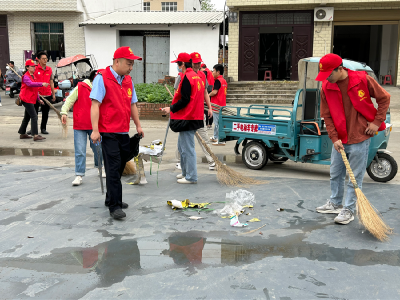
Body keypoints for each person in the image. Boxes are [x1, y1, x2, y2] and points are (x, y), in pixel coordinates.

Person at [315, 53, 390, 224]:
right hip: (340, 140)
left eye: (329, 74)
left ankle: (348, 209)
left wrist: (376, 122)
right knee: (335, 174)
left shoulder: (362, 80)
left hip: (360, 136)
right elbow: (326, 116)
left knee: (354, 178)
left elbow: (384, 98)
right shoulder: (326, 87)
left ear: (340, 69)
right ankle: (335, 203)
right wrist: (334, 138)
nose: (326, 79)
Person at [90, 46, 144, 220]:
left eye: (132, 64)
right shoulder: (102, 78)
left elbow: (132, 104)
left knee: (120, 166)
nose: (131, 67)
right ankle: (115, 206)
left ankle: (110, 198)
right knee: (113, 169)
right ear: (117, 62)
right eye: (129, 63)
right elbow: (95, 105)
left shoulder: (128, 81)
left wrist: (138, 125)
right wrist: (95, 130)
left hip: (122, 131)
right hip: (108, 132)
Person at [161, 52, 206, 184]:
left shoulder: (187, 77)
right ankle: (186, 173)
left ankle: (191, 177)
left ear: (182, 64)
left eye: (178, 64)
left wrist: (171, 108)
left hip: (189, 117)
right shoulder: (196, 77)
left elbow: (185, 99)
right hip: (194, 116)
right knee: (182, 148)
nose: (178, 66)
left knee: (188, 149)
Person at [61, 70, 105, 187]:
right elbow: (69, 100)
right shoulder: (80, 87)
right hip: (80, 124)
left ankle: (100, 167)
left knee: (98, 148)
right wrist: (64, 112)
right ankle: (79, 174)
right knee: (80, 150)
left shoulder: (102, 89)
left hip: (95, 125)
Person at [17, 60, 48, 141]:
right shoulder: (26, 76)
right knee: (34, 116)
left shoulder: (33, 76)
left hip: (31, 99)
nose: (34, 68)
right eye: (32, 66)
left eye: (34, 66)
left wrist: (38, 99)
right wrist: (41, 84)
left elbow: (35, 89)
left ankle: (22, 133)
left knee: (27, 117)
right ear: (27, 67)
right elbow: (30, 84)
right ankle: (35, 135)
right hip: (26, 99)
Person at [32, 51, 56, 135]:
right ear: (38, 60)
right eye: (43, 58)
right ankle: (33, 129)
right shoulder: (34, 68)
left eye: (46, 58)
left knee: (45, 113)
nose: (45, 60)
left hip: (47, 94)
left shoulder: (49, 69)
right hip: (36, 94)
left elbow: (51, 82)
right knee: (34, 113)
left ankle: (43, 128)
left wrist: (53, 94)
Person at [209, 64, 228, 146]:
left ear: (218, 72)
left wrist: (207, 95)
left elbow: (214, 92)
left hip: (217, 106)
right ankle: (216, 136)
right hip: (222, 104)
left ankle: (220, 139)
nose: (212, 72)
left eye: (213, 71)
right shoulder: (224, 81)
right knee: (219, 122)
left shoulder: (217, 81)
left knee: (217, 123)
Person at [201, 63, 214, 129]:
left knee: (206, 107)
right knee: (209, 106)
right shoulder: (210, 71)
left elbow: (203, 80)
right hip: (211, 88)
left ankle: (206, 123)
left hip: (207, 89)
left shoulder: (204, 72)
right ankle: (210, 123)